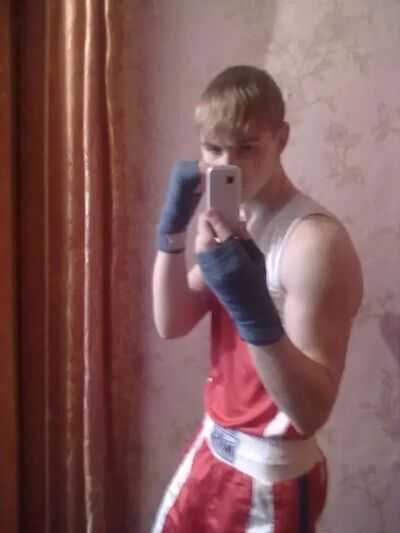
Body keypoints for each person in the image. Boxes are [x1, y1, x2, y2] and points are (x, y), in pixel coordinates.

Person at [151, 65, 363, 532]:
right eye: (213, 149)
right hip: (211, 447)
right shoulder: (234, 221)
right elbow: (172, 322)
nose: (228, 165)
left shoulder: (313, 243)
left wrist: (251, 307)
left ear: (280, 139)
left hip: (269, 474)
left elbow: (309, 412)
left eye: (247, 148)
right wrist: (171, 233)